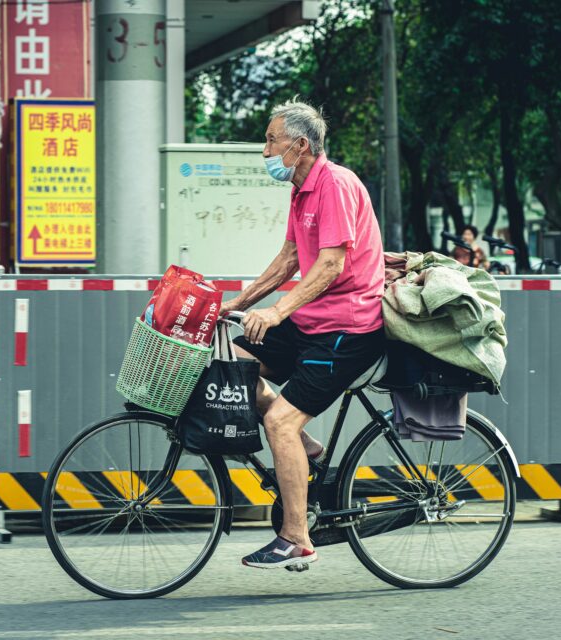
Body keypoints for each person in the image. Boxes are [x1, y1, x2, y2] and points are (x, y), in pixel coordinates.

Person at [219, 100, 386, 570]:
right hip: (313, 321)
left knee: (280, 423)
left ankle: (296, 537)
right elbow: (290, 258)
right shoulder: (300, 190)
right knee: (233, 363)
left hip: (348, 328)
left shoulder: (334, 184)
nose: (265, 149)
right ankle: (308, 451)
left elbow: (331, 265)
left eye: (271, 140)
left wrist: (276, 312)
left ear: (300, 145)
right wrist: (241, 302)